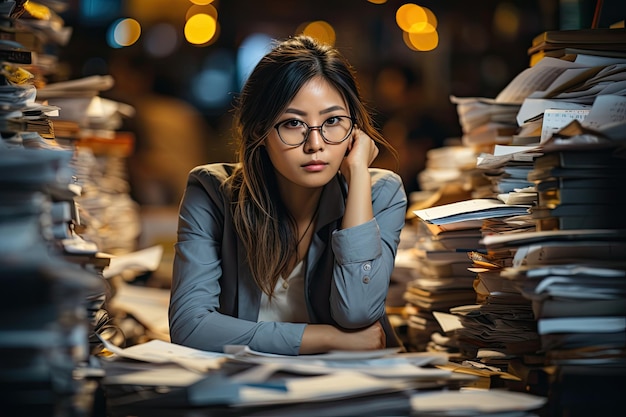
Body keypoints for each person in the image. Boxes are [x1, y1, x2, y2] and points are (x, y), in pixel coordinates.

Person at [168, 35, 407, 356]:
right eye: (293, 123)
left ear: (354, 130)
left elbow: (358, 312)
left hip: (349, 393)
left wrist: (359, 174)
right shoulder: (212, 192)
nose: (316, 144)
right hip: (247, 395)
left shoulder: (379, 193)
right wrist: (328, 338)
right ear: (259, 131)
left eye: (333, 121)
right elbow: (190, 326)